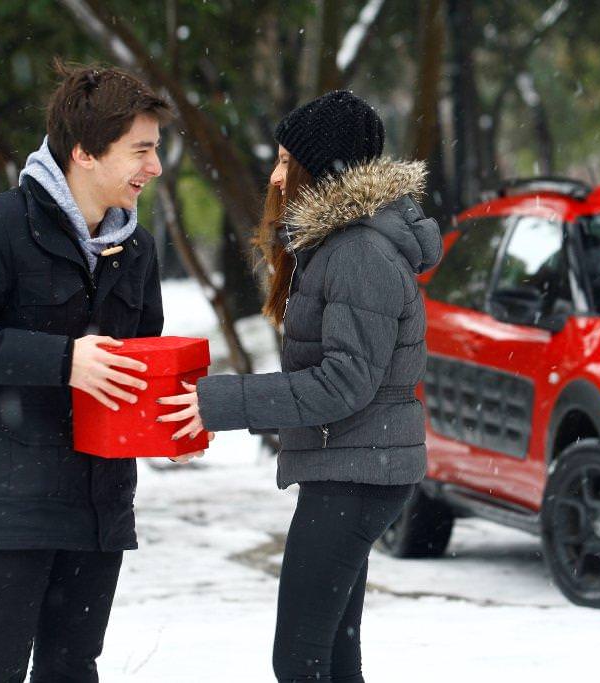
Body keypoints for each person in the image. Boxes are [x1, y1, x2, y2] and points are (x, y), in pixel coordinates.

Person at [157, 89, 442, 682]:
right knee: (333, 653)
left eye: (288, 162)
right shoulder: (345, 244)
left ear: (326, 170)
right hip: (358, 464)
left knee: (301, 656)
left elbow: (343, 384)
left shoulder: (360, 251)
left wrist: (222, 402)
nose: (276, 175)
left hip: (357, 472)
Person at [0, 62, 190, 682]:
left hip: (100, 501)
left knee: (73, 668)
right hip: (12, 499)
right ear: (84, 152)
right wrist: (62, 360)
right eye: (141, 151)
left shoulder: (138, 248)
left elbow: (139, 357)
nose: (153, 168)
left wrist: (168, 420)